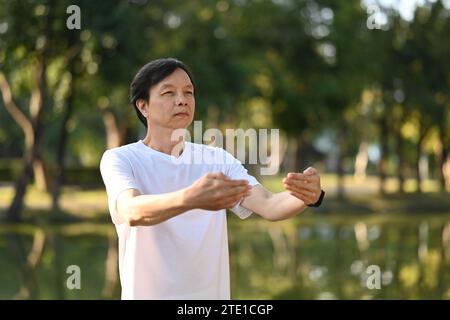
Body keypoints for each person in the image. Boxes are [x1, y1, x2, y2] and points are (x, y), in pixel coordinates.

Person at [99, 58, 325, 300]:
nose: (182, 99)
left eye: (189, 92)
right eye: (168, 92)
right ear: (143, 106)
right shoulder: (121, 159)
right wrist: (191, 198)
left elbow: (270, 205)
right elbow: (132, 211)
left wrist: (307, 197)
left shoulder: (216, 159)